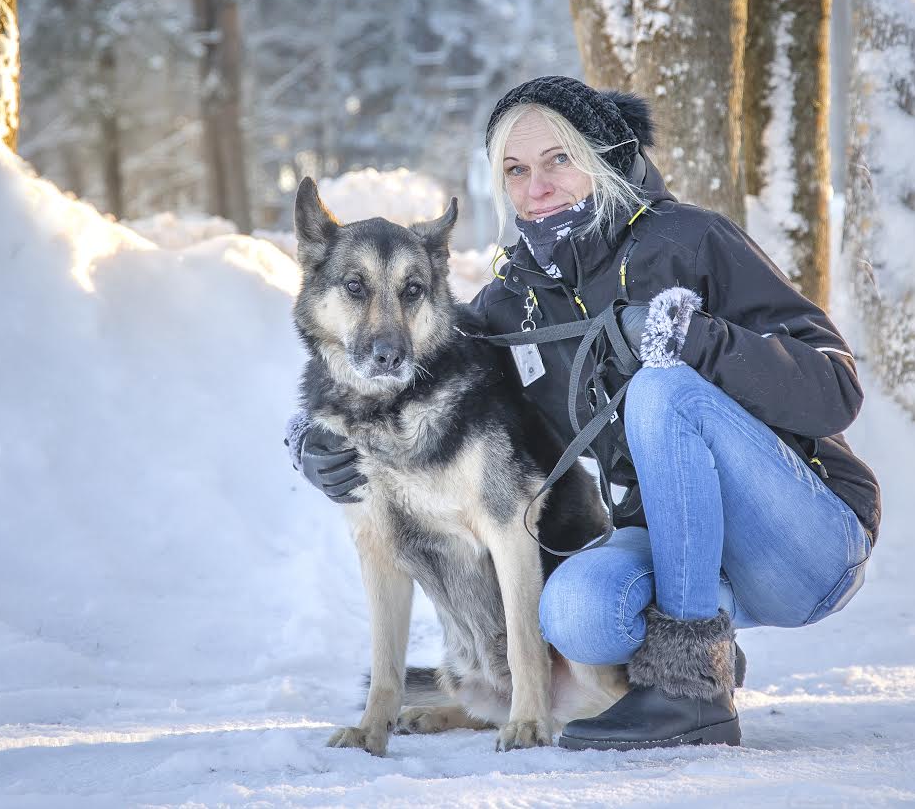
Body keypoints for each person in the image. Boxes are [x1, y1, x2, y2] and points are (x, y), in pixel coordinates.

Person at [296, 76, 881, 751]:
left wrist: (689, 338)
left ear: (600, 155)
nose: (536, 185)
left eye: (558, 160)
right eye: (515, 170)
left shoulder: (691, 240)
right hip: (676, 546)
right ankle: (696, 651)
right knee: (572, 613)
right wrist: (316, 442)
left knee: (661, 388)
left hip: (803, 537)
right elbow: (420, 371)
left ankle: (690, 690)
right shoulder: (514, 302)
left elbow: (835, 390)